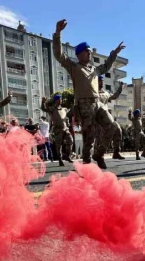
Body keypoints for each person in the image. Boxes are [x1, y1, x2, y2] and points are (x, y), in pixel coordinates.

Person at [53, 19, 126, 169]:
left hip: (98, 102)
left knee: (111, 126)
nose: (90, 53)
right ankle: (87, 164)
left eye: (90, 51)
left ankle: (99, 154)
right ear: (79, 54)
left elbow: (106, 66)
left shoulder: (94, 69)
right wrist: (58, 33)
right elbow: (59, 55)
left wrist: (114, 53)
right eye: (87, 51)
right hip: (84, 104)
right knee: (89, 136)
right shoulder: (74, 67)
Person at [94, 76, 126, 160]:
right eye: (100, 81)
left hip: (107, 117)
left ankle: (116, 152)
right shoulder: (93, 93)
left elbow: (114, 96)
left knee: (118, 129)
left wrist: (120, 88)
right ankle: (98, 155)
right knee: (99, 137)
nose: (102, 82)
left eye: (102, 81)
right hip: (98, 118)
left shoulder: (106, 93)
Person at [41, 95, 73, 166]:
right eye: (59, 99)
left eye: (61, 99)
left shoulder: (64, 109)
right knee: (59, 146)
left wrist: (68, 126)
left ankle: (68, 156)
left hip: (65, 129)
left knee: (70, 140)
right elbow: (44, 109)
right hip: (58, 129)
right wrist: (43, 102)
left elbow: (66, 118)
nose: (61, 100)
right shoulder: (52, 109)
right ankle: (60, 159)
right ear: (56, 100)